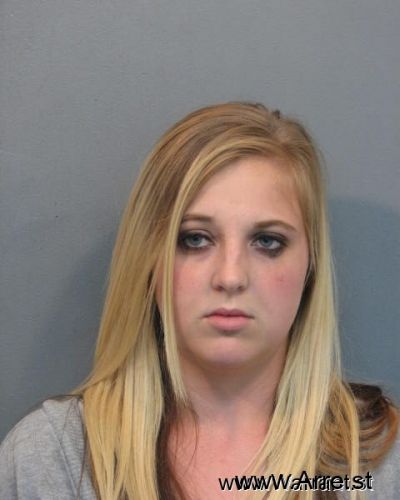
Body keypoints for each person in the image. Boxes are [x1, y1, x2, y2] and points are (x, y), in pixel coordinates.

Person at [0, 102, 398, 500]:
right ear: (148, 259)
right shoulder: (54, 458)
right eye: (195, 239)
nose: (230, 277)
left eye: (267, 241)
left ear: (311, 265)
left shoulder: (380, 462)